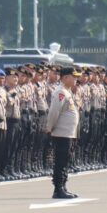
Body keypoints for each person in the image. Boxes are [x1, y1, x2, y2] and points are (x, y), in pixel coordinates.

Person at [45, 67, 81, 199]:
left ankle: (63, 186)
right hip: (61, 133)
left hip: (68, 133)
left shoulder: (67, 92)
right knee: (60, 161)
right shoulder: (60, 92)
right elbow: (54, 112)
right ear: (65, 77)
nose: (76, 79)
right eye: (74, 76)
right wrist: (49, 128)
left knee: (65, 161)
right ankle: (58, 189)